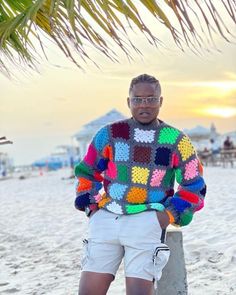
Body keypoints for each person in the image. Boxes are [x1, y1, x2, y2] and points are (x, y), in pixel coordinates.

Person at [74, 74, 206, 295]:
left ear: (160, 101)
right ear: (129, 101)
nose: (144, 104)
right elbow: (87, 171)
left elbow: (194, 185)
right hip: (107, 218)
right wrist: (92, 208)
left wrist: (167, 216)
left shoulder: (176, 140)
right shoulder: (110, 134)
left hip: (148, 221)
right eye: (138, 99)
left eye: (150, 98)